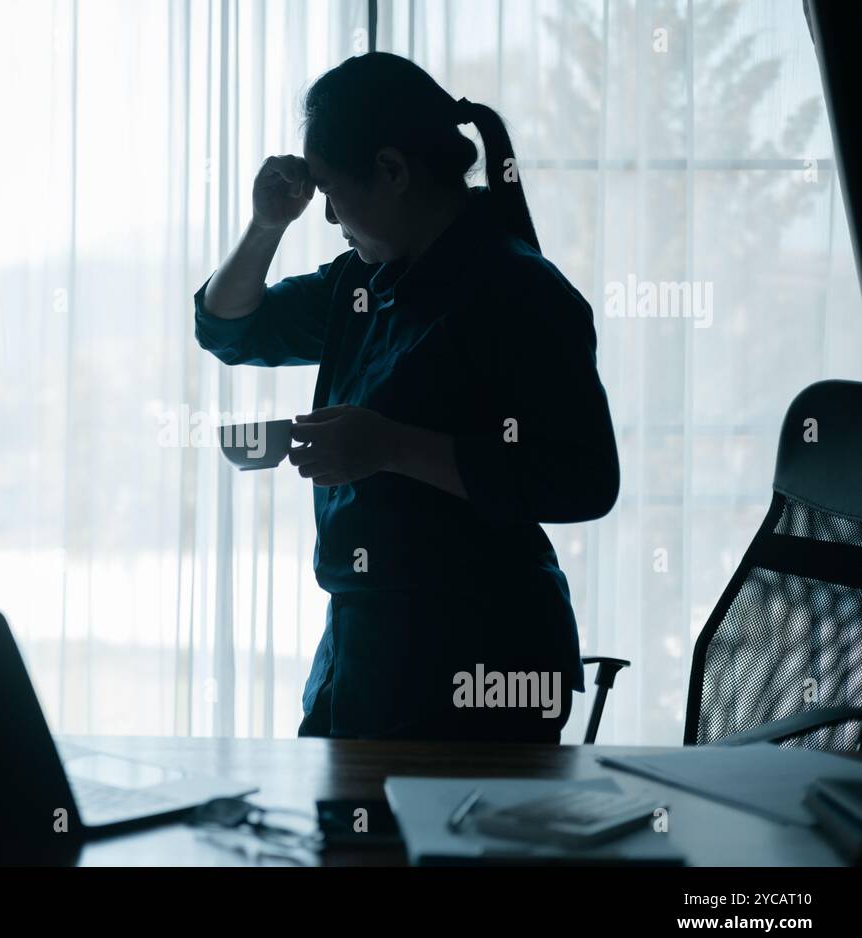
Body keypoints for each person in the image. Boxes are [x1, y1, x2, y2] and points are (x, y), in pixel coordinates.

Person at [192, 52, 619, 742]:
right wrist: (268, 223)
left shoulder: (521, 293)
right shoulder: (363, 282)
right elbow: (231, 327)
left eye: (330, 191)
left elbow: (583, 480)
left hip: (477, 661)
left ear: (391, 171)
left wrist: (389, 445)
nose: (327, 215)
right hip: (359, 650)